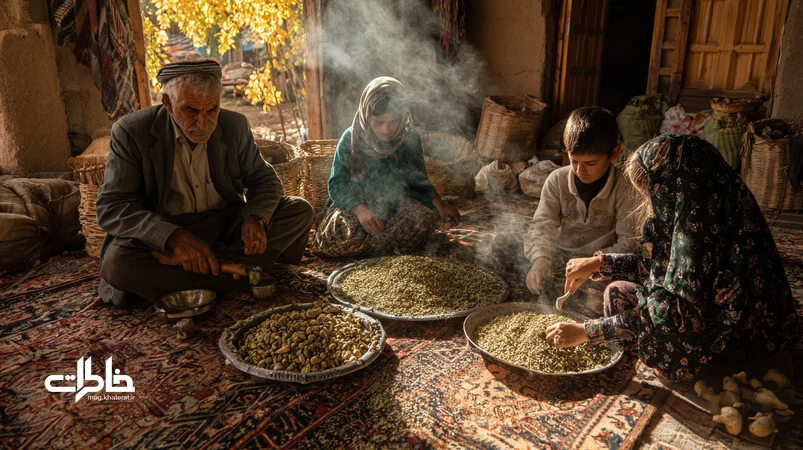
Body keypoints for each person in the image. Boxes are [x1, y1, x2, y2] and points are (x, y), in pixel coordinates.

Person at [546, 134, 801, 382]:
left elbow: (671, 314)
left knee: (666, 344)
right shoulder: (701, 201)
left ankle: (722, 370)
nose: (652, 202)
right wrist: (600, 263)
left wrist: (587, 332)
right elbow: (658, 266)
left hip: (736, 332)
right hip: (699, 305)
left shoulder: (698, 227)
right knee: (616, 292)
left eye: (651, 194)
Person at [96, 60, 314, 308]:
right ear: (167, 103)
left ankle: (199, 276)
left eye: (212, 110)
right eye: (191, 111)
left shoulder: (234, 126)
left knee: (299, 210)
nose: (203, 123)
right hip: (166, 233)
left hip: (224, 227)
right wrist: (174, 238)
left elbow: (265, 180)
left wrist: (255, 218)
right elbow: (112, 206)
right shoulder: (132, 132)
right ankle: (239, 272)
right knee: (117, 263)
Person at [314, 77, 461, 257]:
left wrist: (440, 204)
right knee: (342, 234)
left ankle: (372, 247)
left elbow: (418, 180)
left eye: (393, 121)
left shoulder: (409, 138)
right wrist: (360, 210)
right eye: (379, 122)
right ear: (367, 117)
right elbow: (336, 184)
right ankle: (383, 245)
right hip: (355, 206)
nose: (386, 129)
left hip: (395, 204)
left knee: (425, 219)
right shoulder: (351, 138)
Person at [523, 107, 640, 313]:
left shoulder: (626, 187)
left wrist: (594, 264)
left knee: (606, 297)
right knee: (503, 247)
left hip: (600, 265)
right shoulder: (556, 180)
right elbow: (543, 224)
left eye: (590, 163)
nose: (580, 170)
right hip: (561, 260)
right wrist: (541, 259)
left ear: (614, 153)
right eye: (573, 161)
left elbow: (628, 243)